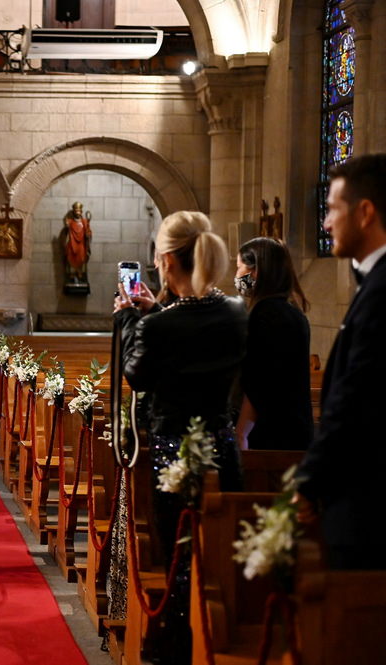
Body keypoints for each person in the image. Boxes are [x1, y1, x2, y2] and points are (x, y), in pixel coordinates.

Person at [113, 210, 246, 665]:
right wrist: (154, 313)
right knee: (216, 548)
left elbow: (137, 374)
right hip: (221, 446)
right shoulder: (234, 312)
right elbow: (196, 329)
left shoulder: (158, 325)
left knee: (177, 557)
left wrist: (132, 319)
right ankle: (215, 636)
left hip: (172, 452)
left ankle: (175, 643)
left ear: (167, 261)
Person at [294, 153, 386, 570]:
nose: (326, 223)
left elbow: (355, 396)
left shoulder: (382, 290)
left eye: (332, 210)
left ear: (365, 213)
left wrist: (310, 482)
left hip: (367, 512)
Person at [234, 237, 312, 451]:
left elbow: (259, 381)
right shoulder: (294, 313)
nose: (237, 275)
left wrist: (241, 432)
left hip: (269, 435)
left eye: (240, 267)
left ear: (256, 272)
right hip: (296, 430)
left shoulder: (264, 314)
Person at [63, 201, 92, 284]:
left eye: (79, 211)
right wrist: (67, 227)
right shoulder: (70, 222)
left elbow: (88, 232)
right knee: (71, 258)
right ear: (73, 212)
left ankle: (80, 275)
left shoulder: (85, 222)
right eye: (76, 211)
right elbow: (66, 234)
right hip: (72, 244)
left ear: (81, 212)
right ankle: (72, 275)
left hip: (81, 245)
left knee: (82, 259)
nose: (78, 213)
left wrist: (88, 234)